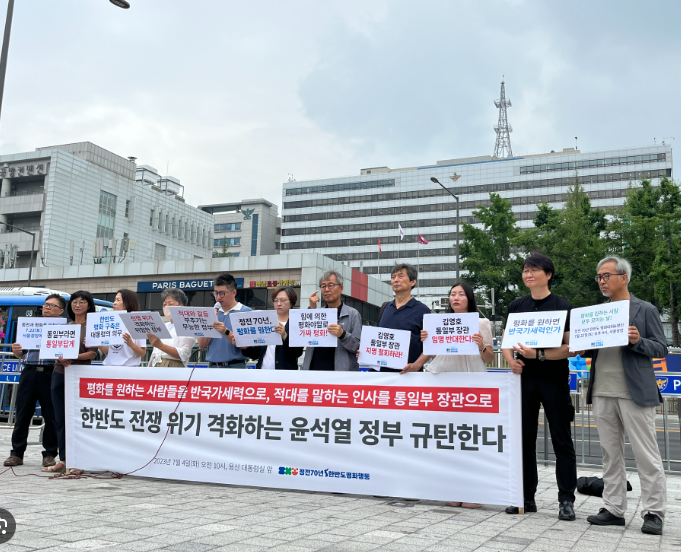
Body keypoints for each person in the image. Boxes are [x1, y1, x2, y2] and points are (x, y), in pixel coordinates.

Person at [584, 257, 668, 535]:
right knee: (610, 454)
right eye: (599, 277)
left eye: (606, 275)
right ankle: (613, 508)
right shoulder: (597, 313)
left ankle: (653, 512)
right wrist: (582, 346)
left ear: (624, 277)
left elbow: (661, 348)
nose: (602, 281)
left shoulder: (645, 309)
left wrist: (637, 341)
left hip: (635, 392)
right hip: (602, 390)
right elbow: (592, 348)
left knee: (646, 454)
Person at [401, 280, 494, 508]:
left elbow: (489, 358)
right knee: (448, 439)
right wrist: (418, 360)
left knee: (471, 439)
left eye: (461, 294)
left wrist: (481, 346)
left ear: (469, 298)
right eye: (453, 294)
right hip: (444, 383)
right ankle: (452, 488)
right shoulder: (438, 323)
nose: (456, 298)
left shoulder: (481, 323)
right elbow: (432, 353)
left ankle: (475, 491)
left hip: (471, 385)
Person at [501, 253, 577, 521]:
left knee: (561, 441)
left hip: (554, 380)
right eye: (525, 270)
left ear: (548, 274)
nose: (528, 274)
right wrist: (511, 361)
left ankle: (566, 499)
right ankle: (525, 497)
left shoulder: (562, 306)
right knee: (524, 440)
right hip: (525, 381)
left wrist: (539, 355)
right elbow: (506, 341)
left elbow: (571, 347)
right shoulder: (516, 306)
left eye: (534, 270)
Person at [4, 294, 66, 468]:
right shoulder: (30, 326)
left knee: (51, 415)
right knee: (23, 413)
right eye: (45, 304)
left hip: (51, 373)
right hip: (29, 372)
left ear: (61, 311)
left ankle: (49, 454)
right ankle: (16, 453)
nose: (47, 307)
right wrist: (16, 350)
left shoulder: (64, 328)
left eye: (52, 305)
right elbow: (20, 354)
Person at [44, 291, 98, 474]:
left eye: (82, 302)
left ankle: (79, 461)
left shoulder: (92, 326)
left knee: (78, 418)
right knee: (60, 418)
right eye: (74, 301)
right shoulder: (65, 326)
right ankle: (64, 459)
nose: (77, 305)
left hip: (80, 374)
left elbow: (92, 353)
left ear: (89, 305)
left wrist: (73, 356)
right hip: (60, 372)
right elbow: (54, 349)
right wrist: (61, 356)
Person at [302, 270, 362, 371]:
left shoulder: (353, 314)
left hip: (339, 375)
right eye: (323, 286)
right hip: (313, 372)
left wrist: (343, 334)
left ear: (341, 288)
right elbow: (302, 337)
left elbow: (358, 347)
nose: (326, 289)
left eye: (331, 285)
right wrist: (311, 310)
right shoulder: (317, 314)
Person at [377, 263, 431, 373]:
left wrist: (417, 365)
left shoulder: (422, 310)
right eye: (393, 277)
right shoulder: (385, 307)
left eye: (401, 276)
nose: (396, 280)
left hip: (410, 376)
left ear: (413, 282)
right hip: (383, 375)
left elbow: (431, 344)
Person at [198, 273, 252, 368]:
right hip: (212, 366)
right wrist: (208, 321)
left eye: (222, 293)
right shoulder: (213, 312)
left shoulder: (245, 312)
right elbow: (202, 345)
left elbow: (245, 344)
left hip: (235, 366)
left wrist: (225, 331)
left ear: (233, 293)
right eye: (216, 293)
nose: (218, 297)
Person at [244, 287, 303, 369]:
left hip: (285, 372)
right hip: (263, 371)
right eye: (275, 300)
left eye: (283, 300)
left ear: (292, 302)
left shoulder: (297, 323)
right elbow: (257, 353)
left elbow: (297, 353)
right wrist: (245, 347)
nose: (279, 303)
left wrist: (285, 336)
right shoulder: (266, 321)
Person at [148, 288, 196, 367]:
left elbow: (184, 353)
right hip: (155, 364)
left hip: (172, 365)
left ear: (181, 306)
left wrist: (160, 345)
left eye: (170, 304)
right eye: (164, 304)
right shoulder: (164, 325)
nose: (166, 307)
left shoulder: (188, 326)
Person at [100, 289, 146, 367]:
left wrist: (131, 344)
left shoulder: (138, 323)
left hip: (129, 369)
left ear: (128, 303)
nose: (114, 303)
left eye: (118, 300)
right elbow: (109, 351)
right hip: (108, 367)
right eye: (115, 300)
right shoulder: (110, 323)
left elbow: (142, 353)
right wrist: (96, 344)